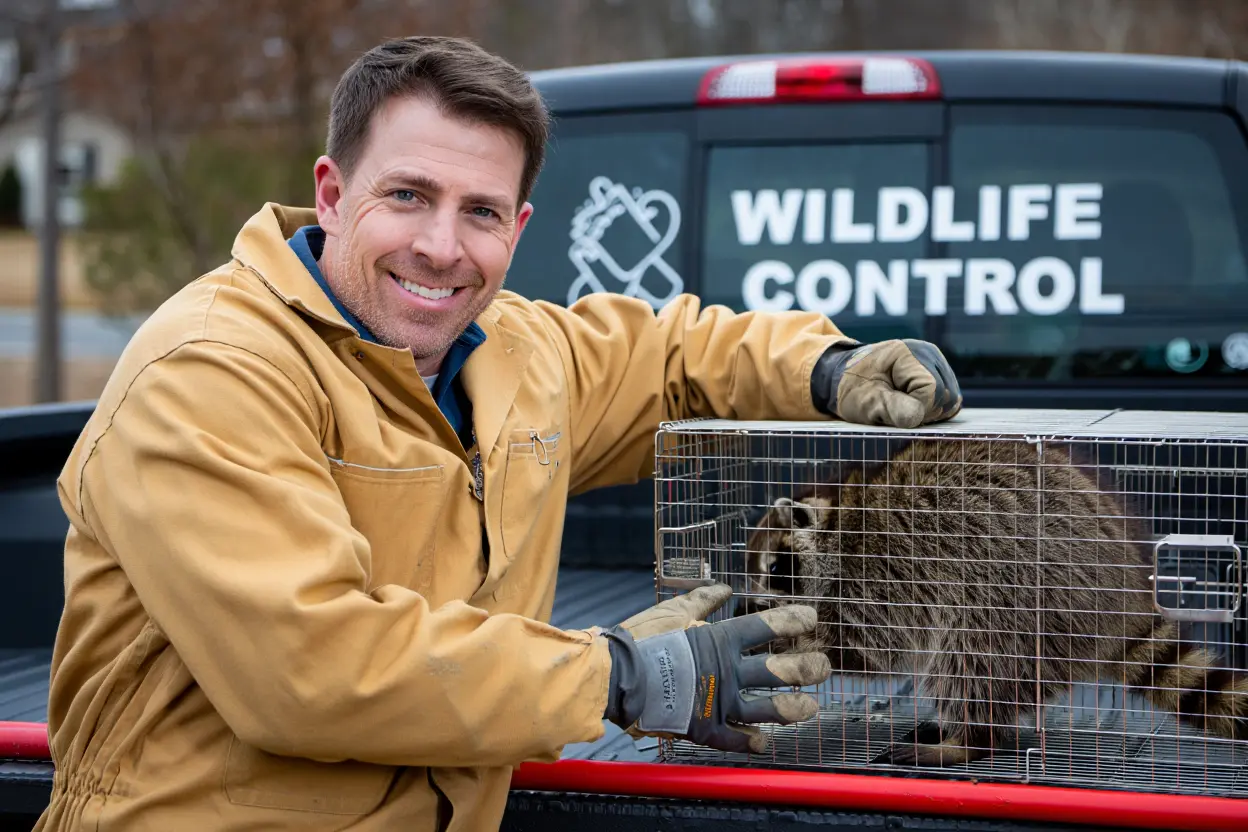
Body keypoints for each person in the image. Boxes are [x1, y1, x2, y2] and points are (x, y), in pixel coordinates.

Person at [34, 36, 962, 832]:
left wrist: (829, 364)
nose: (442, 246)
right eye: (407, 195)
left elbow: (673, 355)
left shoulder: (513, 353)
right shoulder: (211, 370)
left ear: (517, 226)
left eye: (479, 212)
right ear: (330, 191)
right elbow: (308, 667)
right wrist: (622, 678)